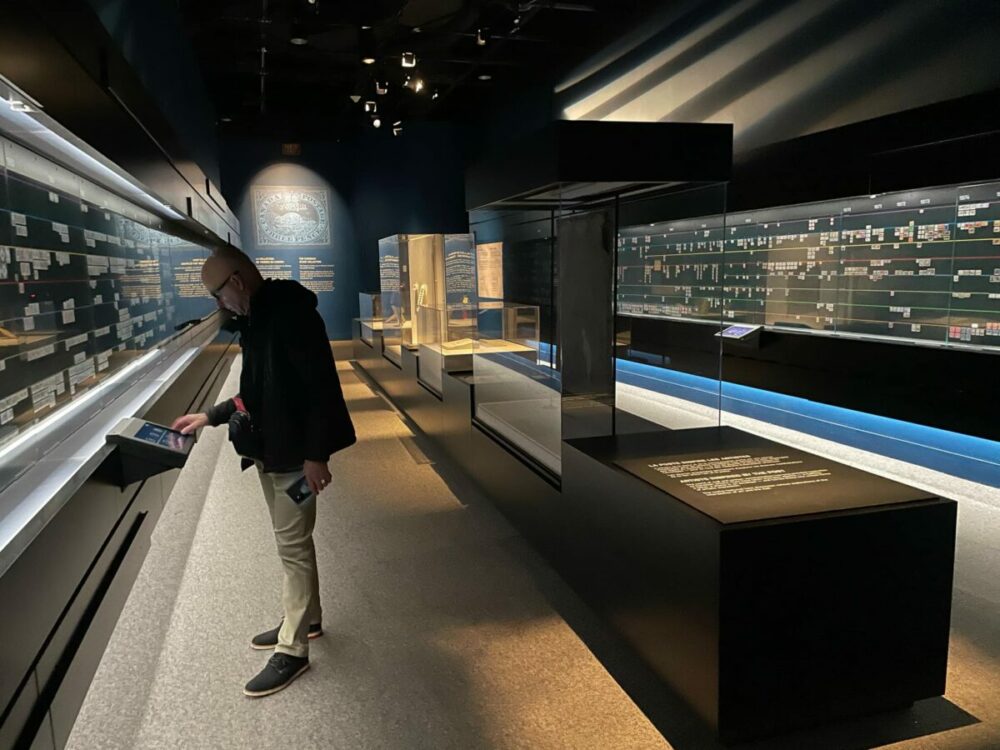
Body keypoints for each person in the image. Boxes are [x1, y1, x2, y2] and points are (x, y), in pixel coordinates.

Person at [172, 246, 356, 698]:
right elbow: (254, 389)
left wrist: (318, 457)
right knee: (291, 542)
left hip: (295, 460)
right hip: (271, 452)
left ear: (236, 282)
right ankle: (307, 619)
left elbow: (319, 390)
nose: (219, 305)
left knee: (292, 546)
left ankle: (293, 650)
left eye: (217, 294)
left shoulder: (291, 317)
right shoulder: (258, 319)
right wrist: (210, 416)